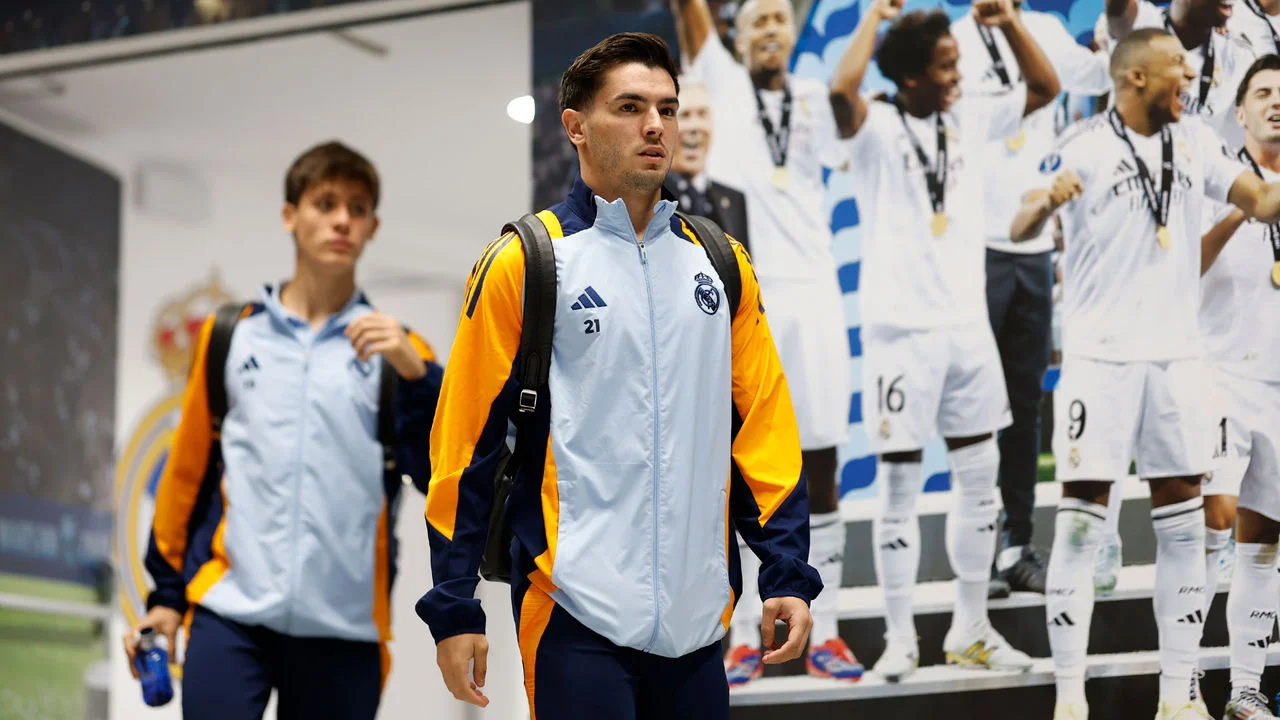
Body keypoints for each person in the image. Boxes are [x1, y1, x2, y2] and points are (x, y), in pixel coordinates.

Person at [416, 33, 822, 720]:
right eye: (630, 107)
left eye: (666, 107)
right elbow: (465, 447)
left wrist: (786, 573)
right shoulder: (525, 262)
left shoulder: (722, 265)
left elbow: (764, 429)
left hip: (698, 626)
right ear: (575, 126)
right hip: (574, 613)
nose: (656, 125)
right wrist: (455, 607)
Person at [1009, 29, 1280, 720]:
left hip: (1180, 359)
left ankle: (1175, 698)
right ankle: (1070, 699)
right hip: (1101, 360)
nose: (1189, 77)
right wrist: (1045, 202)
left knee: (1184, 527)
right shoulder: (1084, 144)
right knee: (1078, 527)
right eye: (1176, 69)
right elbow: (1018, 222)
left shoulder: (1195, 141)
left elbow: (1262, 200)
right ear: (1134, 78)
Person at [124, 141, 443, 720]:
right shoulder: (230, 336)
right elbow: (186, 476)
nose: (342, 218)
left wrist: (420, 376)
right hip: (229, 617)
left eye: (357, 206)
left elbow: (442, 476)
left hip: (345, 632)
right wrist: (165, 599)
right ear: (289, 215)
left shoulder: (401, 350)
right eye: (325, 203)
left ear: (373, 226)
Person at [828, 0, 1060, 682]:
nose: (957, 74)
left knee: (979, 484)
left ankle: (972, 627)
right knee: (898, 487)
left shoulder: (968, 118)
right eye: (945, 65)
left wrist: (1009, 22)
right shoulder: (873, 126)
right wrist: (874, 16)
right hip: (900, 334)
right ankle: (900, 636)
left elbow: (1045, 88)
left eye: (958, 62)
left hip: (967, 331)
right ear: (909, 79)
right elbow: (842, 89)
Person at [669, 0, 860, 684]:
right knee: (746, 466)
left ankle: (828, 628)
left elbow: (851, 101)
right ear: (736, 37)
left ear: (795, 31)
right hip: (749, 296)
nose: (772, 29)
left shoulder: (814, 96)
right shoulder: (718, 80)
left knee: (825, 461)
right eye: (758, 22)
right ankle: (749, 632)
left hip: (817, 293)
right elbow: (690, 13)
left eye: (782, 19)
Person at [951, 0, 1113, 600]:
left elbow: (1100, 77)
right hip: (974, 247)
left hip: (1034, 242)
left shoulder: (1043, 30)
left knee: (1024, 406)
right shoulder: (952, 43)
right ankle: (979, 553)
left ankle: (1017, 544)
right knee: (976, 411)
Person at [1196, 54, 1280, 720]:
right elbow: (1180, 264)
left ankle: (1245, 689)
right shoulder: (1213, 175)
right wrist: (1246, 208)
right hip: (1219, 376)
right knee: (1210, 524)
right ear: (1242, 109)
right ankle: (1183, 682)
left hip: (1279, 386)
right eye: (1263, 92)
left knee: (1263, 540)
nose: (1277, 102)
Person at [662, 78, 752, 249]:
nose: (695, 126)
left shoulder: (734, 200)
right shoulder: (648, 198)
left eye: (703, 114)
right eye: (685, 115)